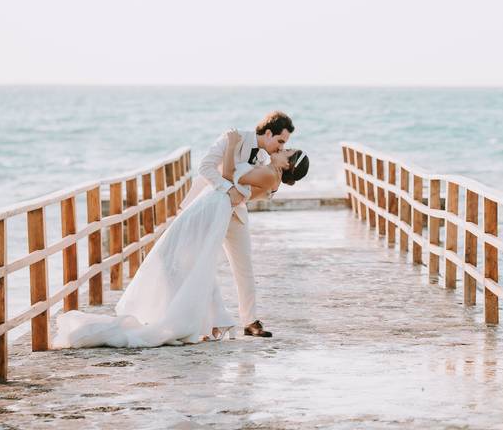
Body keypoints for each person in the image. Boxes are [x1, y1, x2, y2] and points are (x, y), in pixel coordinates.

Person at [52, 140, 310, 348]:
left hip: (214, 206)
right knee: (184, 258)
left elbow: (230, 175)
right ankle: (212, 318)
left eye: (287, 150)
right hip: (211, 203)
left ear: (288, 164)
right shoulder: (268, 171)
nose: (281, 148)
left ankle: (193, 317)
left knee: (183, 258)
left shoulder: (269, 175)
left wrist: (231, 145)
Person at [180, 111, 294, 337]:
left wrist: (265, 190)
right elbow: (205, 168)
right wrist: (227, 190)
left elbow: (251, 190)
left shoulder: (265, 158)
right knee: (201, 264)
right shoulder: (232, 138)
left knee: (244, 266)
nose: (281, 147)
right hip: (207, 208)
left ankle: (250, 321)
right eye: (280, 141)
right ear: (268, 133)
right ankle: (206, 320)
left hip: (235, 212)